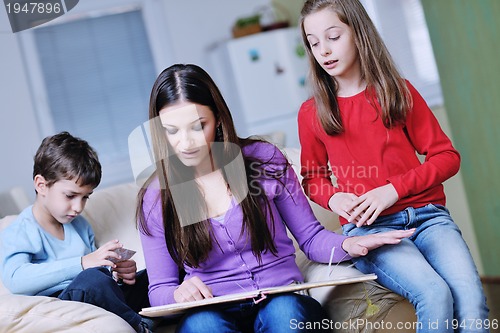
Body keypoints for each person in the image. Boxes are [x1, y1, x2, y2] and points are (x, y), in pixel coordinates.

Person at [136, 63, 414, 333]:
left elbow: (312, 238)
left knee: (284, 314)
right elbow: (159, 289)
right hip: (212, 313)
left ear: (218, 119)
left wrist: (353, 243)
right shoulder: (156, 197)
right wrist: (178, 294)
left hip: (282, 301)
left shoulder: (263, 159)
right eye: (171, 131)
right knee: (202, 326)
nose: (186, 143)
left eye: (198, 126)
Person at [297, 0, 489, 332]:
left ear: (358, 34)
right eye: (314, 43)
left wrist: (392, 190)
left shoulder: (396, 91)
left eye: (332, 36)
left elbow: (446, 157)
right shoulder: (312, 113)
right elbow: (312, 177)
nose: (324, 50)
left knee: (472, 301)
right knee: (434, 294)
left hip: (428, 218)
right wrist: (334, 199)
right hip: (373, 231)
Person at [0, 131, 153, 333]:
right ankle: (141, 326)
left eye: (85, 197)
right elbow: (16, 280)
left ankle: (167, 308)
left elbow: (99, 274)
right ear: (41, 185)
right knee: (92, 280)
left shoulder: (80, 225)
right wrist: (82, 263)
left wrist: (116, 273)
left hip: (96, 297)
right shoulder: (20, 230)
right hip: (64, 305)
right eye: (70, 196)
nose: (78, 207)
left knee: (151, 276)